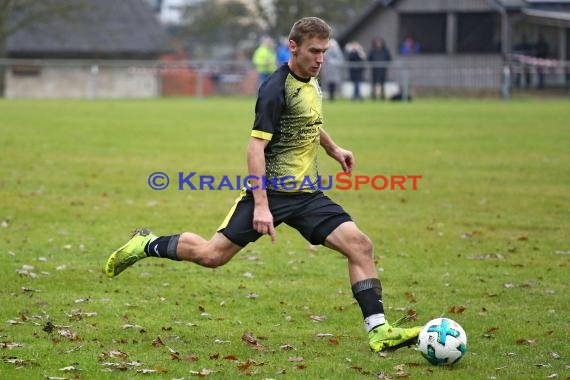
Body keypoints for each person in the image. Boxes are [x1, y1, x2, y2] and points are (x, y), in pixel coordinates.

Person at [104, 17, 421, 353]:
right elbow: (255, 147)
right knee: (212, 256)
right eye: (314, 51)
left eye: (324, 52)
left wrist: (333, 149)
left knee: (360, 246)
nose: (320, 59)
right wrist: (261, 205)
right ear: (293, 47)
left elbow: (309, 122)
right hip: (270, 193)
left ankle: (379, 330)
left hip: (307, 194)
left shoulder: (312, 80)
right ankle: (146, 243)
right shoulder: (274, 89)